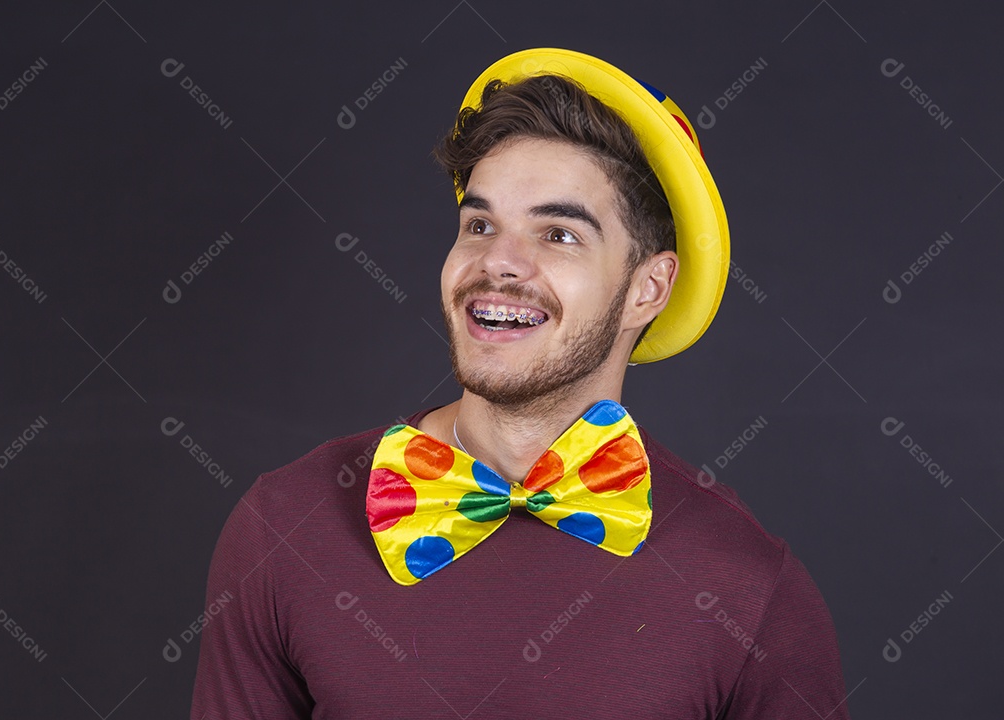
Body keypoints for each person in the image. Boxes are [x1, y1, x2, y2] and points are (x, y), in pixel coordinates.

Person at [190, 48, 850, 718]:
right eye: (479, 225)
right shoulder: (283, 530)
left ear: (647, 289)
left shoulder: (749, 589)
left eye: (559, 235)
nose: (498, 263)